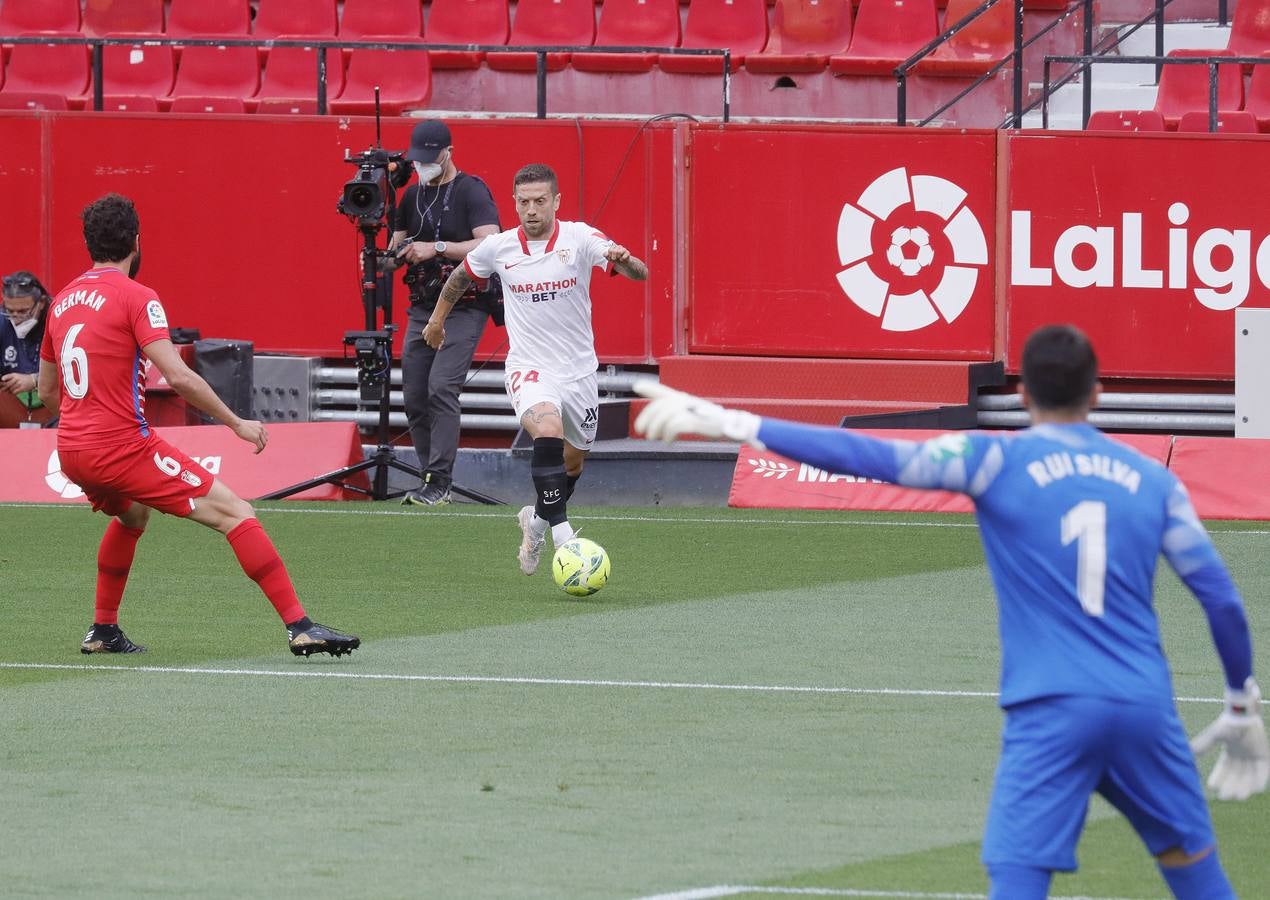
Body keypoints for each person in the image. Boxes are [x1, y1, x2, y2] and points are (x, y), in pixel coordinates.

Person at [633, 324, 1268, 900]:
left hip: (1051, 710)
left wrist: (736, 422)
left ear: (1024, 397)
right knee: (1197, 872)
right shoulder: (1153, 481)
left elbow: (872, 457)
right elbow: (1219, 597)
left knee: (1019, 880)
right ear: (1096, 395)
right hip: (1143, 710)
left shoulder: (995, 461)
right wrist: (1241, 701)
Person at [37, 193, 359, 658]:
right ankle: (300, 626)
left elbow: (49, 391)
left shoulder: (63, 300)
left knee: (132, 513)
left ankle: (103, 631)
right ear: (136, 241)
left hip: (70, 448)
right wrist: (237, 424)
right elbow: (179, 376)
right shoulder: (137, 297)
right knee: (236, 513)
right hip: (120, 447)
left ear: (89, 244)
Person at [424, 163, 648, 575]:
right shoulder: (500, 247)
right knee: (547, 428)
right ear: (515, 203)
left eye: (540, 201)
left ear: (556, 202)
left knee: (573, 463)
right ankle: (566, 538)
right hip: (529, 366)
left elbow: (640, 273)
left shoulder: (580, 238)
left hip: (578, 371)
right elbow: (459, 278)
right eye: (524, 202)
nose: (531, 210)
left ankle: (537, 521)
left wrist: (626, 259)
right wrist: (437, 320)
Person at [383, 119, 501, 507]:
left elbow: (490, 243)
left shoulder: (471, 190)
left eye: (428, 159)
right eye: (417, 160)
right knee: (415, 394)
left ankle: (440, 480)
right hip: (422, 306)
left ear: (448, 153)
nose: (421, 167)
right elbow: (392, 253)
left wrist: (436, 248)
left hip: (465, 306)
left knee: (441, 387)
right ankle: (429, 476)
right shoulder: (410, 196)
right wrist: (389, 252)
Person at [1, 270, 52, 425]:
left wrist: (35, 380)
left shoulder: (57, 320)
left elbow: (75, 373)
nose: (16, 319)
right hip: (11, 407)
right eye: (10, 311)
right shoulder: (3, 321)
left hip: (53, 409)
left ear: (41, 303)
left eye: (23, 312)